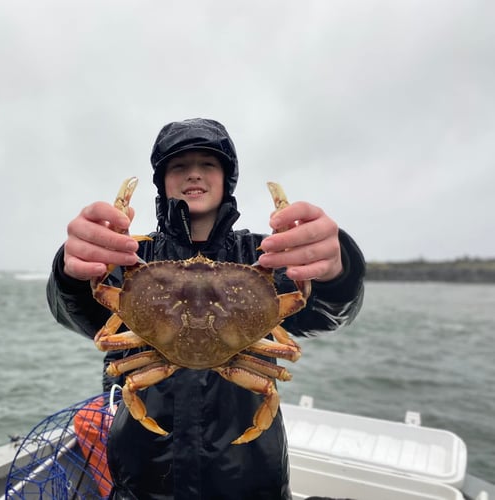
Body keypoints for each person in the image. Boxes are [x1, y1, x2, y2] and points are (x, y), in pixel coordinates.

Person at [47, 118, 365, 499]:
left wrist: (336, 269)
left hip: (248, 483)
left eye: (208, 164)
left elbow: (321, 310)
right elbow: (85, 311)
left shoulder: (265, 259)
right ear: (161, 182)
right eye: (179, 165)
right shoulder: (129, 257)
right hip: (143, 483)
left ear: (227, 178)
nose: (193, 174)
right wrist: (73, 271)